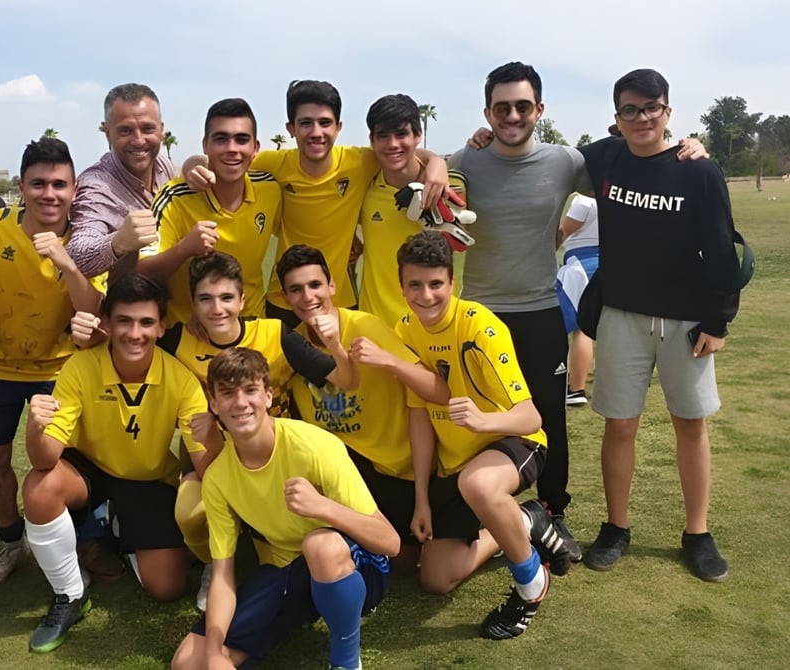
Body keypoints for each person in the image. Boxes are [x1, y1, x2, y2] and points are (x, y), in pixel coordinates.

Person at [457, 64, 708, 557]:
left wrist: (690, 149)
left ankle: (552, 511)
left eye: (522, 106)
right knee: (479, 415)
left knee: (549, 416)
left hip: (540, 308)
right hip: (479, 315)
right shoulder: (467, 158)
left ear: (540, 111)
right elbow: (423, 164)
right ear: (487, 112)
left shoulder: (566, 161)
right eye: (501, 107)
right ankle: (478, 508)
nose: (512, 115)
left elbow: (639, 160)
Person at [72, 251, 356, 610]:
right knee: (191, 512)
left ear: (242, 300)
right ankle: (213, 562)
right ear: (192, 304)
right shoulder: (177, 340)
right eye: (205, 299)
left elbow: (345, 380)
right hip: (208, 461)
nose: (217, 309)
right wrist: (88, 335)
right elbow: (129, 341)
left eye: (226, 298)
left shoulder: (274, 334)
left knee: (290, 552)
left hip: (277, 461)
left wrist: (334, 345)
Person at [578, 69, 742, 582]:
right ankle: (616, 527)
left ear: (668, 112)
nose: (642, 117)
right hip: (622, 313)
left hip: (688, 318)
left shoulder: (698, 171)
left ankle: (698, 532)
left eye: (652, 107)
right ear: (616, 118)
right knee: (619, 424)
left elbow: (720, 246)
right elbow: (536, 152)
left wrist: (718, 319)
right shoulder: (604, 158)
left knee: (690, 424)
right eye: (630, 109)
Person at [171, 347, 400, 670]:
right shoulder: (218, 477)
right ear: (214, 403)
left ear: (267, 396)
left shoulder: (314, 446)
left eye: (250, 390)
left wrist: (323, 508)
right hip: (287, 571)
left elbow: (390, 542)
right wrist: (212, 654)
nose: (240, 403)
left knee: (320, 544)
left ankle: (346, 662)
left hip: (355, 564)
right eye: (227, 393)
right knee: (188, 663)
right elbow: (223, 574)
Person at [394, 231, 574, 639]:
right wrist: (421, 498)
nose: (426, 295)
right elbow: (418, 416)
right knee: (435, 578)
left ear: (452, 283)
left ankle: (530, 586)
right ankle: (525, 518)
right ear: (401, 286)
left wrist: (482, 421)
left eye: (436, 284)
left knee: (478, 483)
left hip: (515, 443)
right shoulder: (404, 330)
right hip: (459, 465)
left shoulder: (480, 326)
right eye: (415, 285)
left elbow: (530, 417)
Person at [0, 138, 104, 588]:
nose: (49, 194)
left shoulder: (88, 238)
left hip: (61, 371)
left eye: (59, 184)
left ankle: (75, 545)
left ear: (75, 189)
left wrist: (67, 262)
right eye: (39, 184)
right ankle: (12, 543)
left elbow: (93, 309)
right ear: (21, 186)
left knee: (61, 463)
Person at [22, 274, 208, 653]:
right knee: (40, 488)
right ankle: (70, 595)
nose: (134, 333)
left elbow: (207, 465)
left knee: (168, 588)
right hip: (88, 468)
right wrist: (35, 428)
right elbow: (45, 458)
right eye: (123, 321)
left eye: (145, 323)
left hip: (147, 478)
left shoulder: (181, 379)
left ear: (162, 326)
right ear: (106, 323)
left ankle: (109, 529)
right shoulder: (80, 367)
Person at [184, 80, 449, 325]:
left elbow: (404, 150)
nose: (316, 132)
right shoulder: (272, 164)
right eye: (306, 123)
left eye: (325, 122)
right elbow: (215, 160)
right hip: (284, 298)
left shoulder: (360, 161)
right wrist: (190, 166)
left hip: (340, 300)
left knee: (344, 375)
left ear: (338, 127)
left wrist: (436, 163)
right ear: (291, 129)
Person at [275, 244, 449, 570]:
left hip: (399, 470)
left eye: (315, 285)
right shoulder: (291, 344)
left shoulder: (364, 326)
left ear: (331, 286)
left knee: (411, 563)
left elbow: (438, 391)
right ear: (285, 298)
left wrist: (389, 361)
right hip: (349, 475)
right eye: (295, 290)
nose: (307, 297)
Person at [138, 98, 281, 324]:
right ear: (206, 146)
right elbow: (142, 273)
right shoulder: (175, 198)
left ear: (255, 148)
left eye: (241, 139)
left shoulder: (270, 189)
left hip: (250, 329)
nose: (232, 149)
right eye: (221, 139)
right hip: (188, 335)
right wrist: (184, 249)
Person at [358, 94, 468, 325]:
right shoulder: (364, 184)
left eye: (401, 134)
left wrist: (437, 163)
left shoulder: (449, 187)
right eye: (383, 136)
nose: (392, 144)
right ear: (372, 140)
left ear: (418, 135)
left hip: (433, 328)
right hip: (375, 327)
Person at [66, 83, 169, 281]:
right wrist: (118, 242)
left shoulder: (162, 164)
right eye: (125, 131)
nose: (139, 141)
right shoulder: (97, 186)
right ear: (108, 134)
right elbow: (76, 254)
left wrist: (195, 164)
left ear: (161, 130)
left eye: (148, 128)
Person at [557, 193, 599, 406]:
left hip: (582, 265)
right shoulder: (618, 190)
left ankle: (576, 388)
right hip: (610, 262)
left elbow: (563, 232)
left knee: (580, 328)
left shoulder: (584, 199)